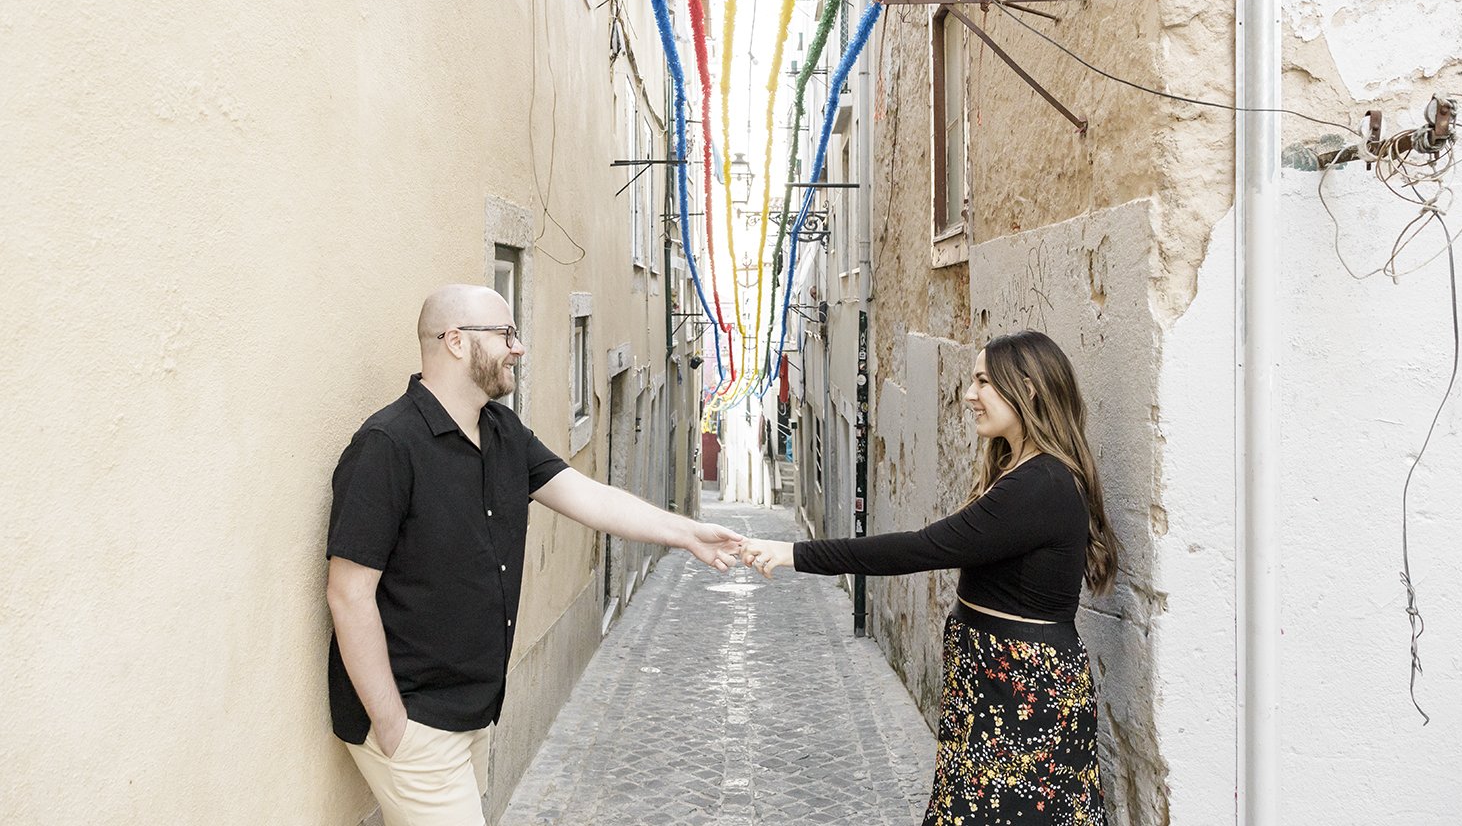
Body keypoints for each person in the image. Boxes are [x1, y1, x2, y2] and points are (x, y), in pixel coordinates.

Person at [325, 283, 743, 826]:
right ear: (454, 341)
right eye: (506, 334)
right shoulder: (387, 445)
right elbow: (348, 592)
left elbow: (590, 497)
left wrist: (685, 533)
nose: (518, 347)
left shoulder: (503, 432)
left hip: (471, 711)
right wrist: (393, 726)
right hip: (414, 719)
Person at [740, 330, 1118, 825]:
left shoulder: (1040, 484)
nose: (969, 394)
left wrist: (793, 553)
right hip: (996, 688)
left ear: (1027, 389)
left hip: (1024, 696)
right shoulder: (1022, 471)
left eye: (983, 381)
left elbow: (922, 548)